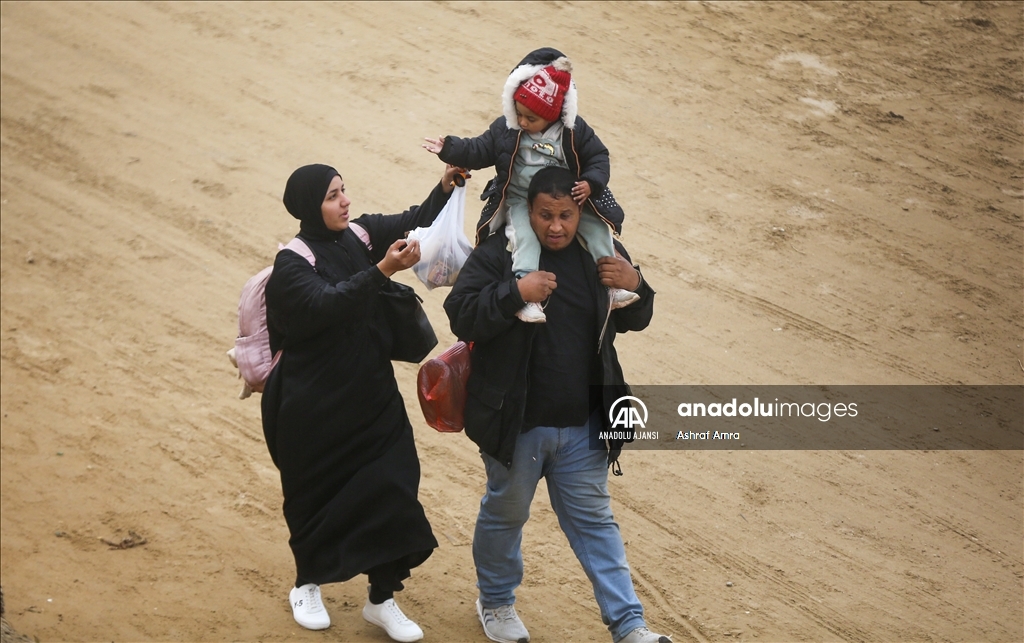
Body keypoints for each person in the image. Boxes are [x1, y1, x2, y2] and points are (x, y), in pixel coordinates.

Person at [443, 167, 669, 643]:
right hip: (517, 425)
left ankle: (630, 625)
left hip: (584, 426)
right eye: (545, 215)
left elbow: (635, 319)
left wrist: (637, 284)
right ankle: (496, 603)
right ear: (528, 210)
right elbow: (460, 314)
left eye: (566, 215)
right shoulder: (500, 253)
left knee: (596, 523)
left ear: (581, 210)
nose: (556, 226)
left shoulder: (600, 251)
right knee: (506, 516)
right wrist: (515, 294)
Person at [261, 162, 464, 643]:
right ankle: (306, 584)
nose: (344, 201)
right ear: (310, 206)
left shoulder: (361, 235)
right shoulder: (292, 264)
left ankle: (381, 598)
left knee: (393, 490)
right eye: (332, 196)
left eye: (343, 190)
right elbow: (325, 304)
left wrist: (443, 188)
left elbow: (414, 219)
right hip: (311, 408)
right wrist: (382, 271)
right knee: (314, 500)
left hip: (372, 398)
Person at [424, 47, 638, 324]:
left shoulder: (574, 130)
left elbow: (598, 157)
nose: (522, 122)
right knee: (523, 238)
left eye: (531, 118)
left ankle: (613, 288)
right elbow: (480, 148)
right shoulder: (507, 128)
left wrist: (590, 184)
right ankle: (527, 296)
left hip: (572, 197)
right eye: (518, 113)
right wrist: (449, 148)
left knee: (597, 230)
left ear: (553, 115)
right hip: (520, 200)